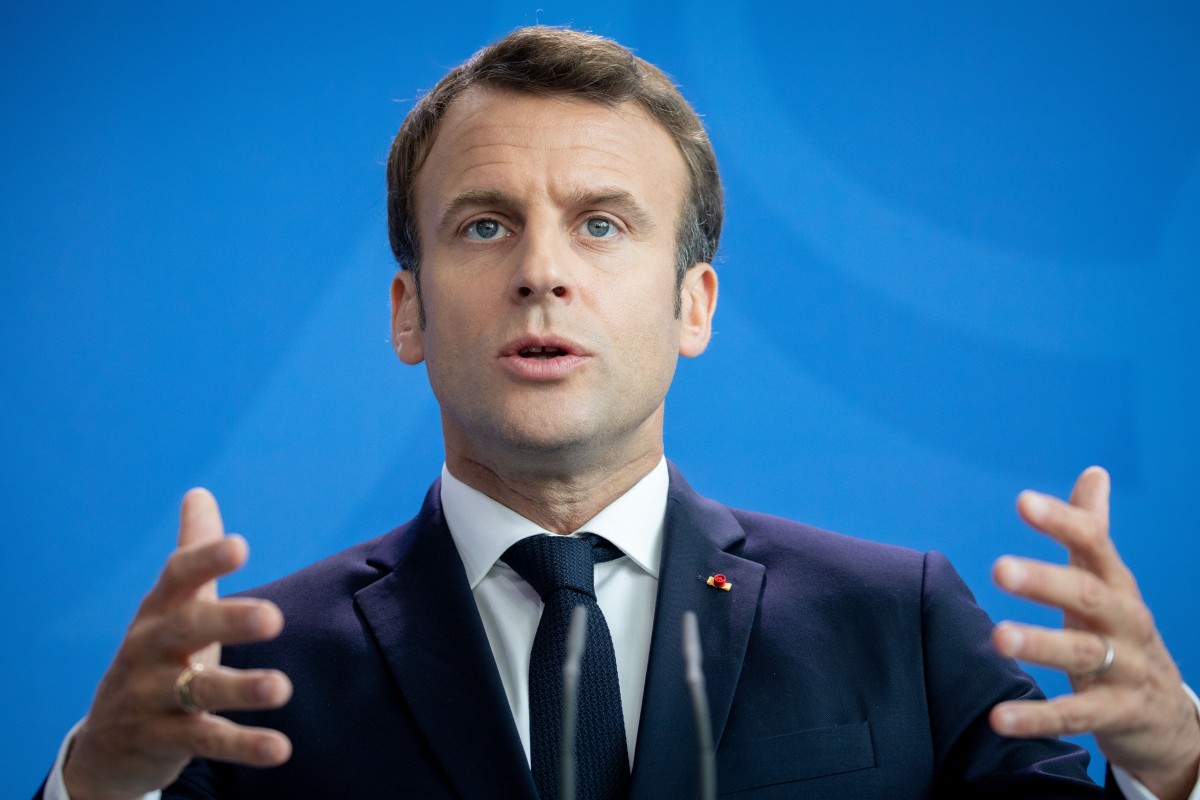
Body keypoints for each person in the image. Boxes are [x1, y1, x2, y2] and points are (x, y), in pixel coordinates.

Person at [39, 26, 1200, 800]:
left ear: (693, 303)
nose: (544, 271)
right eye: (485, 224)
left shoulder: (898, 623)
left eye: (602, 223)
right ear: (408, 312)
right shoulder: (247, 678)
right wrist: (100, 782)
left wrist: (1179, 765)